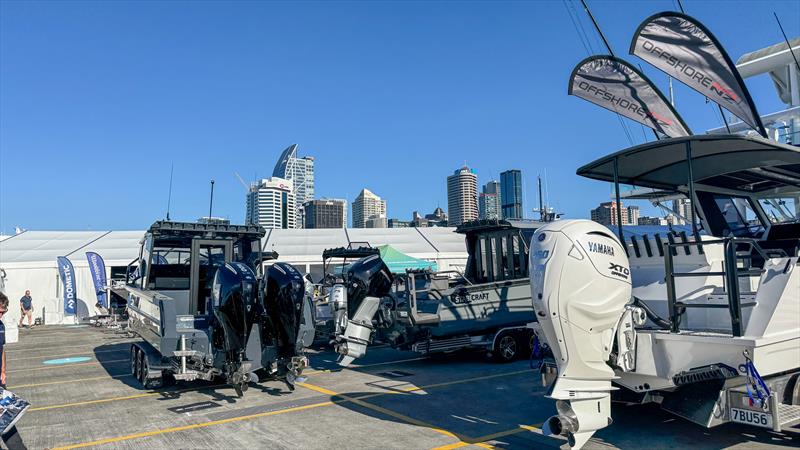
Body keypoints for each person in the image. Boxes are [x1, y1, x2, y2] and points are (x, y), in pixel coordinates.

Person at [0, 292, 27, 449]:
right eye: (0, 311)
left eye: (4, 311)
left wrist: (3, 370)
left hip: (0, 385)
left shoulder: (1, 326)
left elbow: (1, 349)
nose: (2, 314)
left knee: (7, 421)